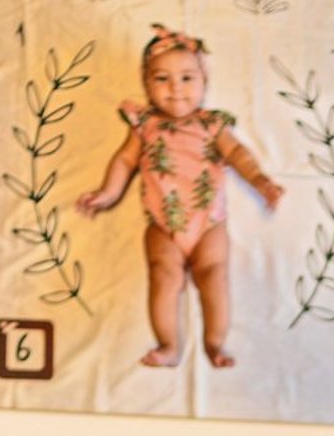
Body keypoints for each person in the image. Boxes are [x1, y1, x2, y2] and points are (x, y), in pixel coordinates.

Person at [76, 29, 283, 370]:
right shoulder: (145, 125)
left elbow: (237, 154)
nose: (176, 88)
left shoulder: (212, 125)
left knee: (214, 276)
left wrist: (260, 180)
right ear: (146, 84)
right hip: (163, 223)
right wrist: (108, 192)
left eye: (187, 78)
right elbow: (125, 160)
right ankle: (169, 345)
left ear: (204, 82)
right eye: (162, 78)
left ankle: (214, 342)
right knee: (163, 276)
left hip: (208, 223)